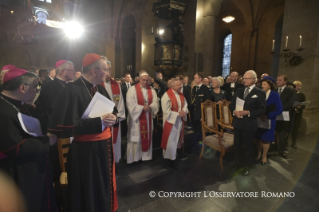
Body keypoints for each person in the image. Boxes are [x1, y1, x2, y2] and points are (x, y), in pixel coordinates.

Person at [48, 53, 119, 212]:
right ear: (94, 71)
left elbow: (112, 111)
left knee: (102, 184)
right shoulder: (72, 90)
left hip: (103, 147)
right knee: (89, 187)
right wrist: (99, 122)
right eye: (106, 69)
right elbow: (66, 126)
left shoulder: (99, 88)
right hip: (86, 152)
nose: (108, 73)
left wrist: (113, 118)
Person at [0, 67, 57, 212]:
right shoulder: (3, 111)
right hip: (17, 173)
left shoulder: (21, 105)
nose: (37, 91)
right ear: (22, 88)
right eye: (35, 87)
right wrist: (47, 141)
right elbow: (15, 147)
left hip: (30, 169)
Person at [229, 70, 266, 176]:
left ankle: (246, 166)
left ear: (253, 79)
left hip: (249, 124)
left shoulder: (260, 92)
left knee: (248, 147)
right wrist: (234, 111)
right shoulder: (239, 90)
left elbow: (262, 109)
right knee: (237, 146)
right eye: (243, 78)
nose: (244, 80)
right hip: (237, 122)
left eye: (246, 78)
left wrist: (248, 112)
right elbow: (232, 105)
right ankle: (237, 163)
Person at [126, 70, 159, 163]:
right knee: (136, 138)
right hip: (136, 119)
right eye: (143, 80)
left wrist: (150, 107)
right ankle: (135, 158)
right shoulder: (132, 90)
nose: (145, 82)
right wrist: (141, 108)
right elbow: (130, 104)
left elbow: (156, 103)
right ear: (139, 79)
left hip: (147, 117)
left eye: (146, 80)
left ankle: (146, 156)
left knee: (146, 136)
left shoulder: (151, 90)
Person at [161, 78, 188, 169]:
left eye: (181, 84)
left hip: (179, 121)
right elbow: (165, 111)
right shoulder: (166, 95)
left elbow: (185, 104)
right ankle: (170, 159)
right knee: (170, 141)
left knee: (176, 139)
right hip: (171, 121)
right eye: (178, 85)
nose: (181, 86)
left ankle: (174, 155)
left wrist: (184, 111)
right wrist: (177, 114)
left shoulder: (180, 94)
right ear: (172, 86)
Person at [255, 76, 283, 164]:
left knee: (266, 139)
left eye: (265, 84)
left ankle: (264, 156)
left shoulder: (275, 95)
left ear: (270, 85)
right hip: (259, 119)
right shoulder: (259, 93)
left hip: (270, 120)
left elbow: (279, 109)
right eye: (262, 84)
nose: (262, 86)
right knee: (258, 138)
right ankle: (258, 154)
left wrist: (267, 115)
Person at [103, 61, 125, 163]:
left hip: (114, 120)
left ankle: (114, 163)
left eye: (108, 70)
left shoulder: (116, 84)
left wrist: (117, 116)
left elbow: (120, 102)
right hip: (103, 121)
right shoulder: (96, 84)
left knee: (114, 145)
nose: (107, 73)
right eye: (104, 69)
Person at [190, 73, 211, 150]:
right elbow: (192, 101)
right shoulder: (194, 88)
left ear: (200, 79)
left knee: (200, 132)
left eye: (196, 78)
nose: (194, 80)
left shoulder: (205, 89)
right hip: (194, 114)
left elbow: (207, 104)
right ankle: (195, 146)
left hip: (200, 114)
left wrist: (204, 115)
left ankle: (200, 148)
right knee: (195, 131)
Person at [275, 75, 295, 159]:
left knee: (282, 132)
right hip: (273, 113)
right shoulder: (274, 90)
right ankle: (273, 146)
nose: (277, 81)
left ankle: (281, 150)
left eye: (280, 80)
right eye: (277, 80)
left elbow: (291, 102)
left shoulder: (290, 90)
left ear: (285, 82)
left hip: (283, 114)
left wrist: (279, 109)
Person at [291, 81, 306, 149]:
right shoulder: (291, 93)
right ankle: (285, 142)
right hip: (291, 113)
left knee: (295, 128)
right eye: (297, 85)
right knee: (288, 128)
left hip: (298, 114)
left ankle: (294, 142)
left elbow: (304, 104)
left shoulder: (302, 95)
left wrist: (299, 108)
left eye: (299, 86)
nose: (298, 87)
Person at [121, 73, 132, 138]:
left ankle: (130, 131)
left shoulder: (133, 86)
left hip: (132, 105)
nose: (128, 78)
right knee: (125, 119)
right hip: (125, 104)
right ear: (125, 78)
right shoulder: (122, 86)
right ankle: (124, 133)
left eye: (129, 77)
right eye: (127, 77)